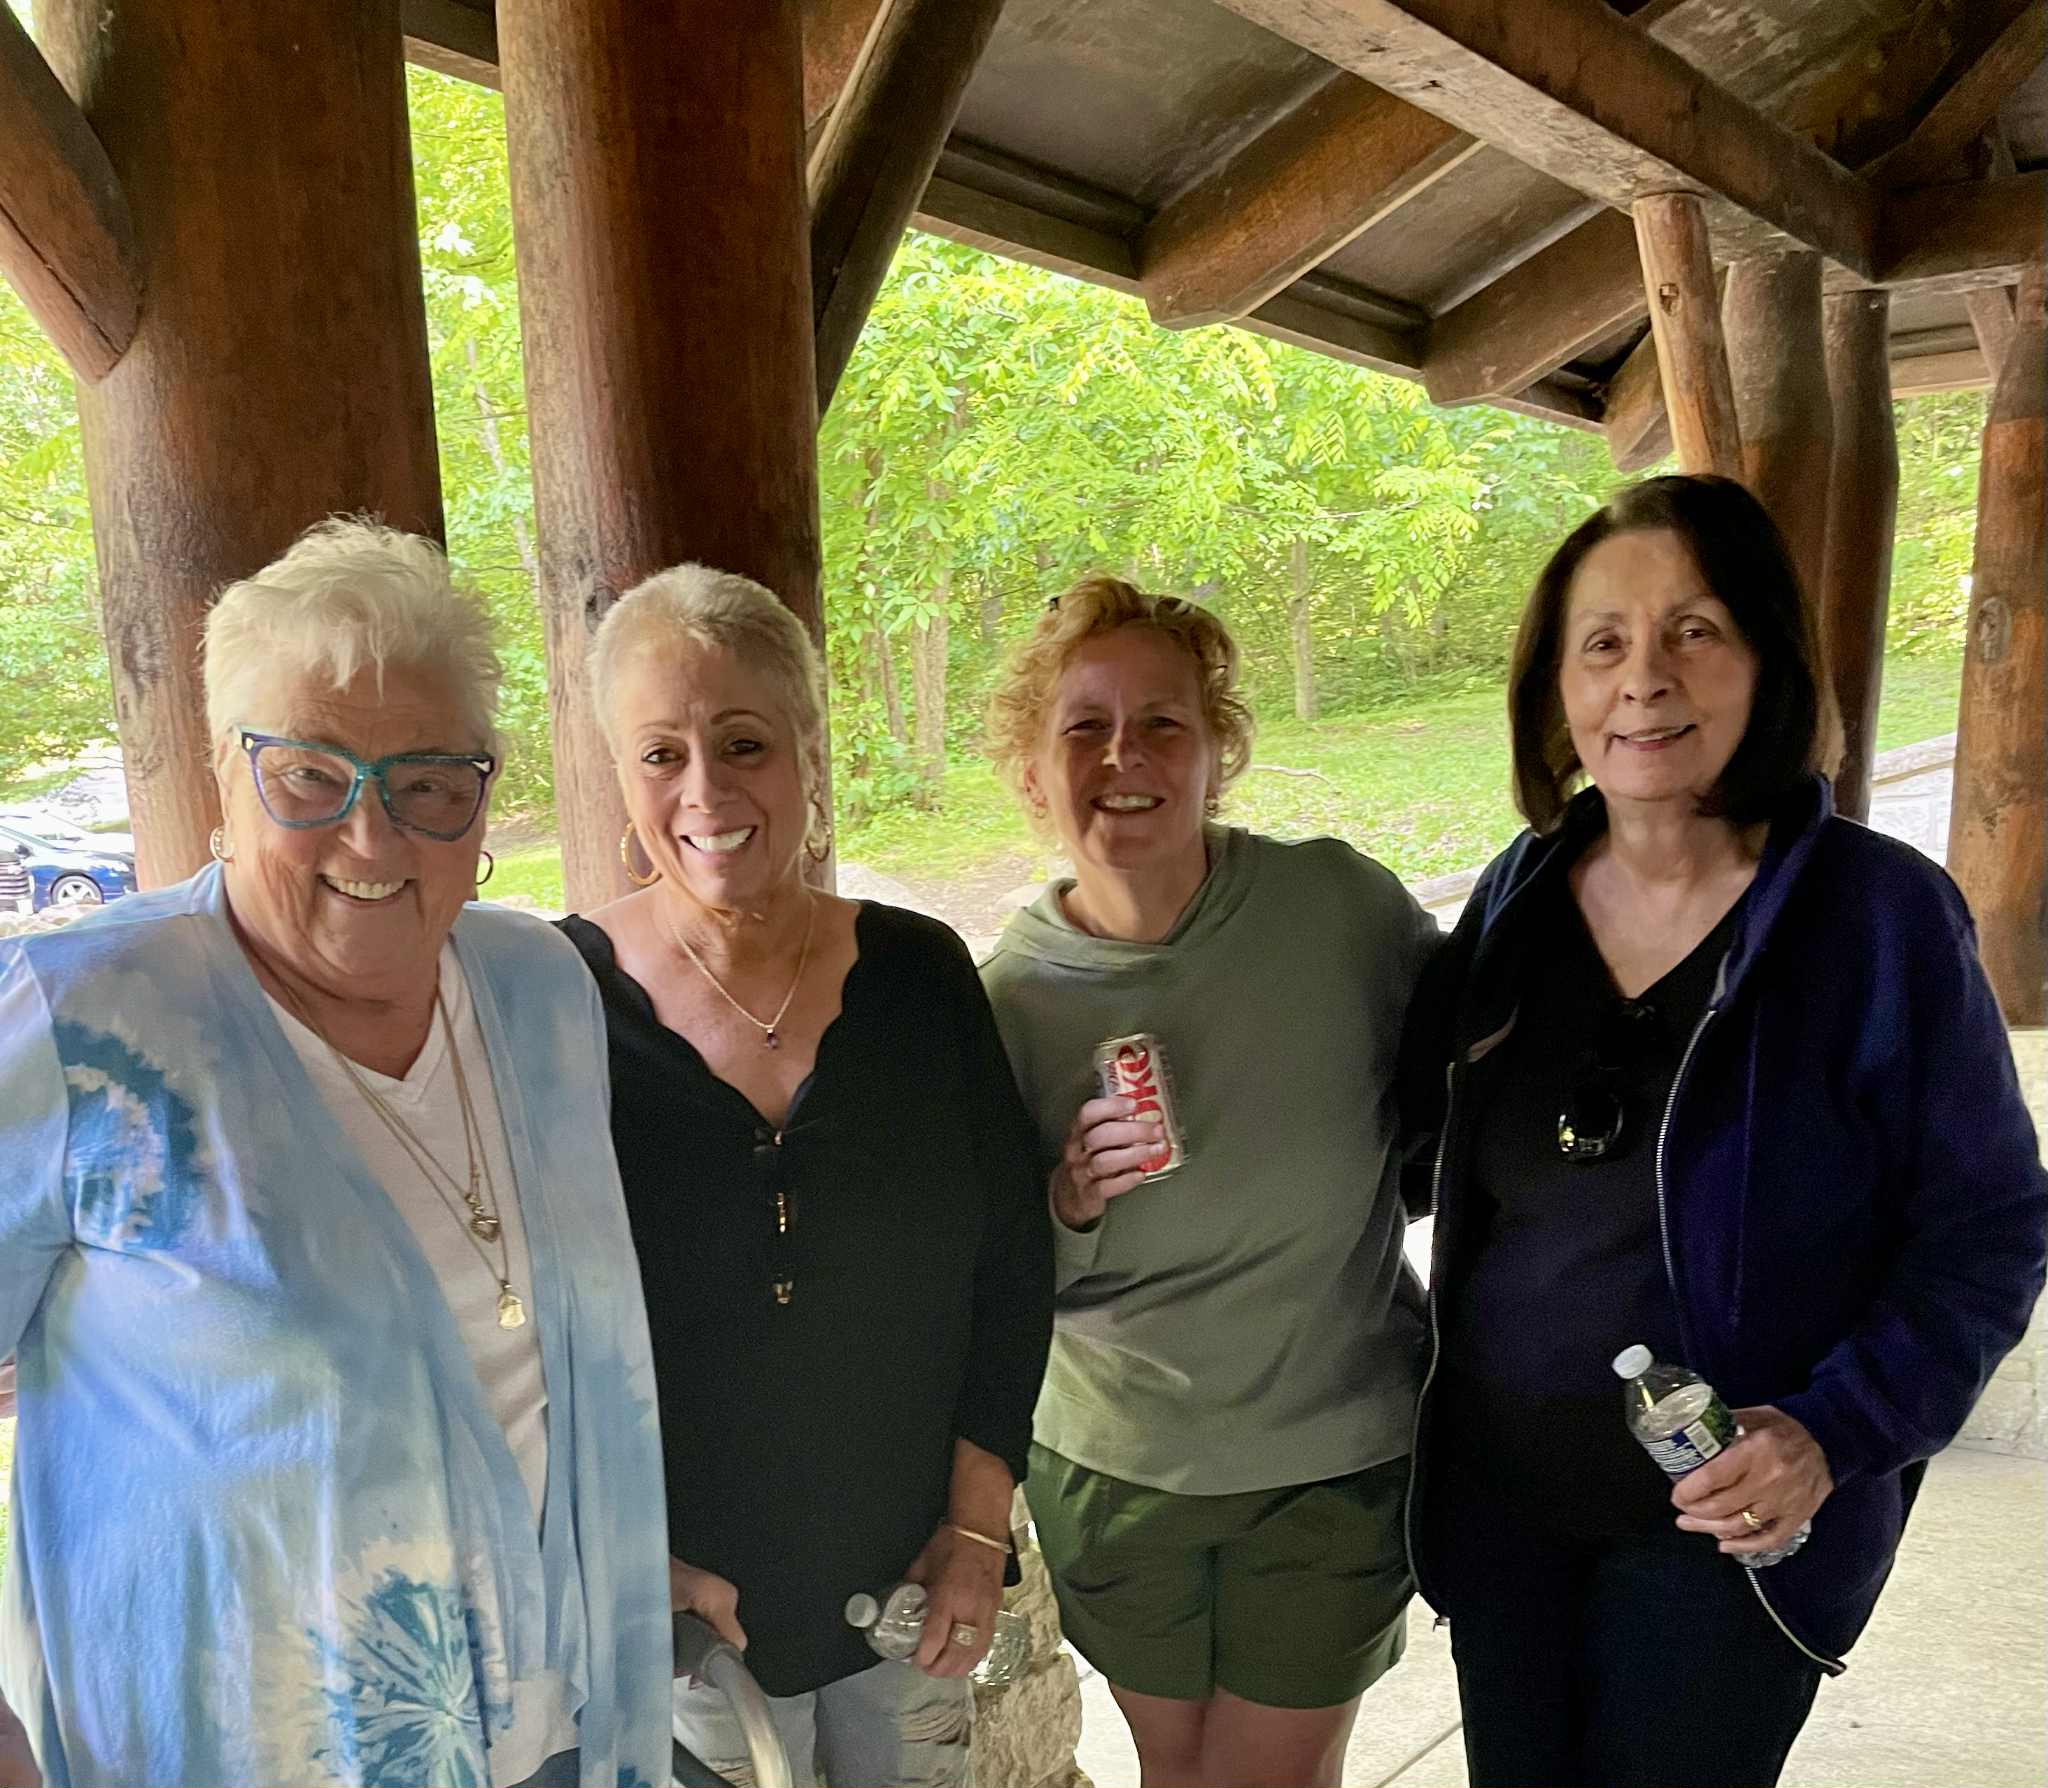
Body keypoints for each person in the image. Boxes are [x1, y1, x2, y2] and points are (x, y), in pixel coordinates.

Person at [0, 520, 672, 1788]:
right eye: (310, 775)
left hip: (569, 1736)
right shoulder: (86, 1020)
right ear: (225, 772)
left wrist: (613, 1555)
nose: (372, 838)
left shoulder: (538, 987)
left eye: (427, 783)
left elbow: (540, 1368)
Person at [1402, 475, 2048, 1788]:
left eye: (1692, 630)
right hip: (1503, 1508)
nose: (1643, 676)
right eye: (1603, 641)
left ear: (1766, 661)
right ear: (1557, 691)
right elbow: (1405, 1143)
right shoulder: (1516, 898)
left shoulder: (1878, 919)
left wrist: (1835, 1430)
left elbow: (1986, 1231)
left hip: (1727, 1534)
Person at [557, 564, 1053, 1788]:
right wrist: (617, 1555)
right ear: (620, 776)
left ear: (809, 754)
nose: (705, 790)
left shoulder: (919, 976)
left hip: (910, 1592)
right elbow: (525, 1324)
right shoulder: (555, 1001)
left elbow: (1009, 1261)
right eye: (660, 754)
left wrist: (975, 1526)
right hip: (688, 1621)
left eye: (743, 743)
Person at [977, 577, 1439, 1788]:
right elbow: (984, 1283)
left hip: (1328, 1447)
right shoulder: (1004, 1002)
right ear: (1031, 769)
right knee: (1176, 1773)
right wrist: (1067, 1204)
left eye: (1161, 723)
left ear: (1216, 750)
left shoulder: (1338, 910)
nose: (1121, 757)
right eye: (1083, 727)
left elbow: (1464, 1091)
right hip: (1113, 1466)